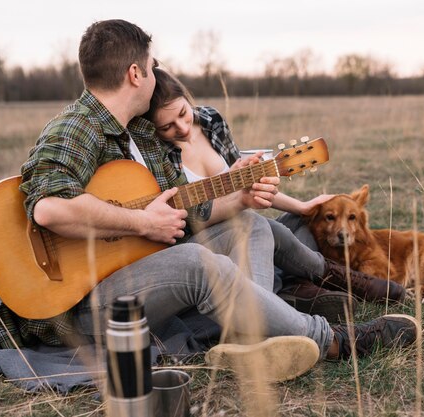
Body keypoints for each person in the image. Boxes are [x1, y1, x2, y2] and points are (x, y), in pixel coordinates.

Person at [0, 19, 417, 382]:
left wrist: (242, 196)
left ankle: (248, 342)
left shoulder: (140, 134)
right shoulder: (77, 127)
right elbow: (48, 208)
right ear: (137, 73)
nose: (158, 74)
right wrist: (142, 224)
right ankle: (333, 340)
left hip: (131, 274)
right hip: (75, 306)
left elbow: (192, 210)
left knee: (248, 226)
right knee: (199, 265)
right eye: (154, 66)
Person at [144, 67, 406, 315]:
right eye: (166, 127)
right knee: (256, 225)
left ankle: (289, 290)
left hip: (247, 227)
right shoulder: (154, 150)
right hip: (212, 241)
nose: (181, 127)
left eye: (182, 113)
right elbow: (187, 218)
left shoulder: (211, 121)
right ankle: (311, 284)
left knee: (306, 223)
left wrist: (302, 207)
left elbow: (245, 183)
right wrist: (235, 199)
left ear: (187, 98)